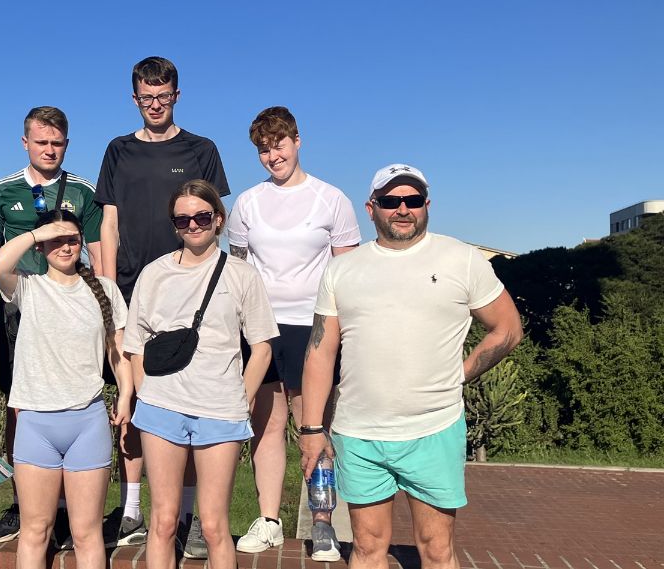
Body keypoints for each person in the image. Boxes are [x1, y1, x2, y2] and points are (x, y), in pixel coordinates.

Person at [300, 164, 523, 569]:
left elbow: (507, 329)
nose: (403, 209)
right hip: (359, 433)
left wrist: (461, 373)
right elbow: (319, 352)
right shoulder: (342, 269)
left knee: (437, 549)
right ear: (371, 209)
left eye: (413, 200)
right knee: (367, 548)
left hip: (434, 429)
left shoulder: (462, 259)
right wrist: (312, 429)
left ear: (427, 205)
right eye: (390, 201)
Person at [94, 56, 229, 554]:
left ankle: (190, 514)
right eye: (147, 98)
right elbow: (108, 221)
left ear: (176, 95)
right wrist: (107, 288)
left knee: (188, 400)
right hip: (130, 290)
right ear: (134, 99)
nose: (156, 105)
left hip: (190, 294)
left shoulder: (202, 149)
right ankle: (131, 508)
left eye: (164, 97)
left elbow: (217, 217)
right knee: (132, 398)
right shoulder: (118, 150)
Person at [226, 106, 360, 560]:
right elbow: (238, 270)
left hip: (315, 326)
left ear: (297, 141)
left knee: (314, 428)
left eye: (278, 144)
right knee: (266, 426)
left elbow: (348, 273)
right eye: (262, 149)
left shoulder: (331, 199)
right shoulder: (246, 202)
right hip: (260, 329)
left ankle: (322, 524)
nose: (271, 155)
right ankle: (268, 520)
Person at [123, 179, 277, 569]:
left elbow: (261, 346)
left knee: (213, 525)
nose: (192, 225)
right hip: (162, 408)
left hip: (219, 410)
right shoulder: (154, 273)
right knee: (162, 520)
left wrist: (240, 397)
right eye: (182, 219)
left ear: (218, 220)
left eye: (202, 217)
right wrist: (146, 391)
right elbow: (135, 343)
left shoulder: (241, 275)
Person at [0, 106, 104, 543]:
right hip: (21, 308)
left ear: (66, 145)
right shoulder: (3, 191)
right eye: (41, 142)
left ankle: (70, 508)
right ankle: (24, 501)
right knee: (22, 406)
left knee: (80, 402)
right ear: (25, 143)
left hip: (73, 309)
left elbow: (99, 252)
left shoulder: (83, 191)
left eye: (57, 143)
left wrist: (105, 309)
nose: (49, 150)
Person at [0, 209, 131, 569]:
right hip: (36, 423)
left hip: (88, 421)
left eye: (72, 239)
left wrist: (127, 393)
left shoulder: (106, 291)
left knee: (87, 534)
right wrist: (40, 233)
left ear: (82, 242)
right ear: (39, 247)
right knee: (36, 531)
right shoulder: (28, 287)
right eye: (56, 239)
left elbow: (118, 354)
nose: (65, 246)